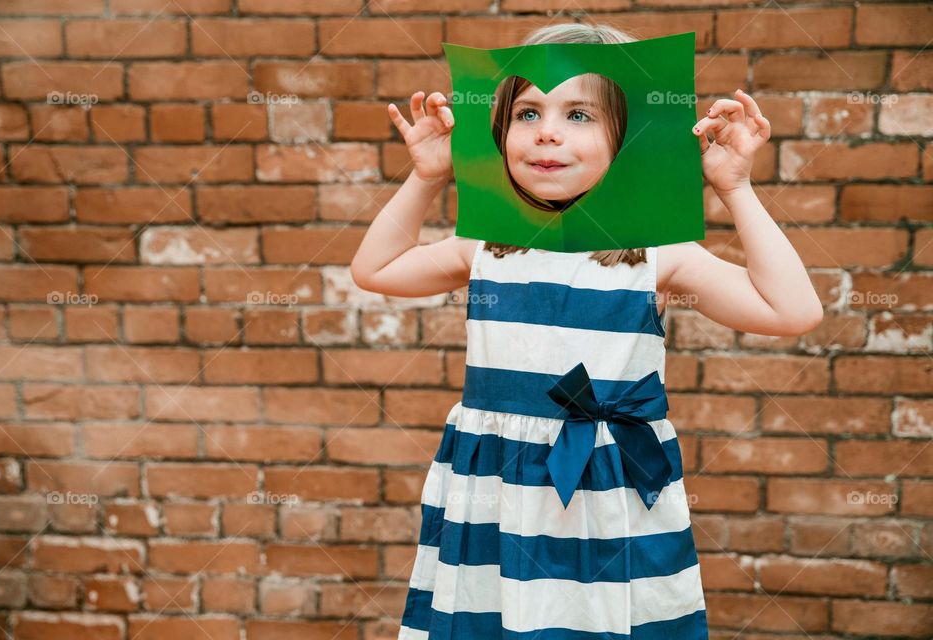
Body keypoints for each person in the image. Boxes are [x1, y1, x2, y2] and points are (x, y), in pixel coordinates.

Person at [351, 21, 823, 640]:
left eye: (579, 114)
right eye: (527, 112)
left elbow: (793, 311)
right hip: (496, 490)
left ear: (627, 138)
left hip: (610, 493)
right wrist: (427, 175)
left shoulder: (659, 258)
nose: (547, 130)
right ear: (497, 133)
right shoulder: (484, 250)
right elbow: (374, 269)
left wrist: (734, 188)